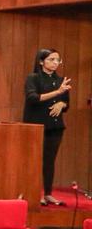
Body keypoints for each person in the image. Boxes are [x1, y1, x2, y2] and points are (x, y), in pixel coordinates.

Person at [25, 48, 73, 205]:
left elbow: (66, 103)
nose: (55, 63)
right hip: (36, 125)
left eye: (57, 60)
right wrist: (57, 93)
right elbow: (32, 98)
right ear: (41, 61)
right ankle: (34, 193)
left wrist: (62, 102)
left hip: (55, 126)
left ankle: (48, 193)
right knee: (34, 160)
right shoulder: (33, 78)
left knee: (49, 160)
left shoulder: (61, 80)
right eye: (51, 59)